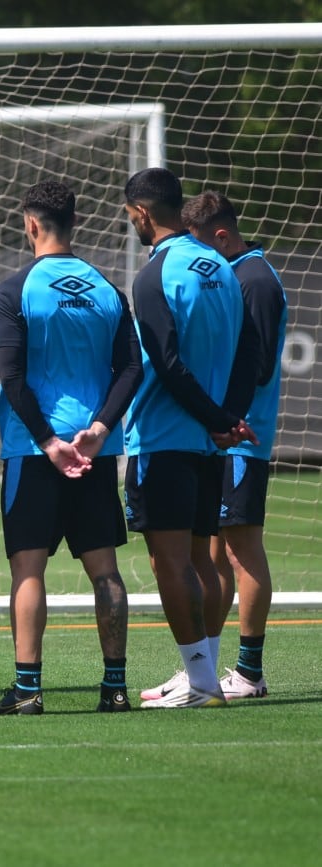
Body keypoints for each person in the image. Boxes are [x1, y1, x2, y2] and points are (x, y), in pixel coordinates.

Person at [0, 181, 142, 715]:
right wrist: (97, 430)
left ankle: (28, 690)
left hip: (35, 452)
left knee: (29, 572)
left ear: (30, 223)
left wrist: (49, 441)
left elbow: (13, 378)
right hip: (94, 453)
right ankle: (114, 688)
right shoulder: (107, 290)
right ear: (75, 222)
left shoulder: (14, 290)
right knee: (106, 571)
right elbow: (132, 369)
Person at [119, 168, 259, 709]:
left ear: (142, 213)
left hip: (165, 437)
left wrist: (212, 418)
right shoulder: (224, 269)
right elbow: (252, 354)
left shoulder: (153, 276)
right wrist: (228, 418)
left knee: (169, 562)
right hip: (209, 442)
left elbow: (168, 365)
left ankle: (201, 681)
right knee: (203, 561)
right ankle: (199, 674)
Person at [146, 191, 285, 702]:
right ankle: (203, 668)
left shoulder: (253, 279)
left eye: (202, 244)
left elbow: (261, 363)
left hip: (240, 437)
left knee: (240, 548)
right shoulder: (236, 275)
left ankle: (247, 672)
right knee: (214, 551)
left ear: (220, 236)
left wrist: (224, 420)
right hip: (223, 433)